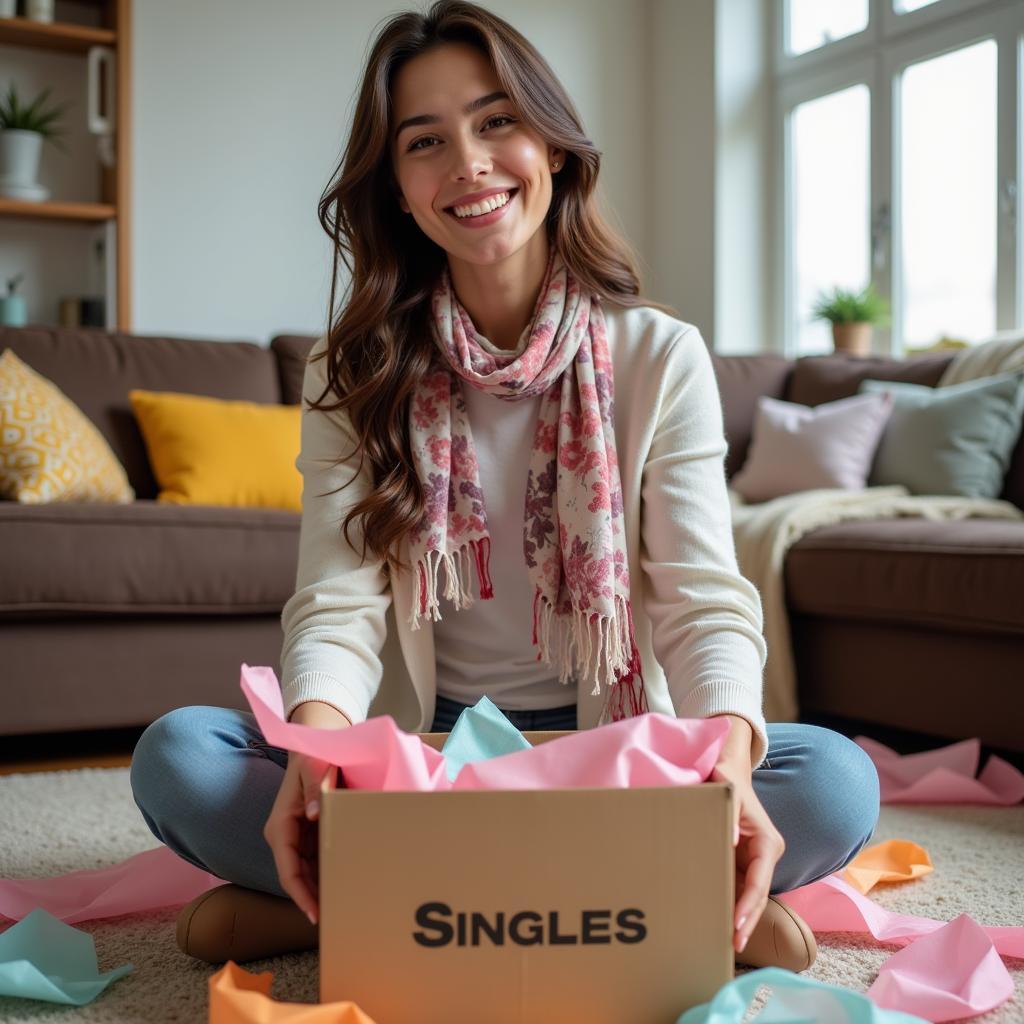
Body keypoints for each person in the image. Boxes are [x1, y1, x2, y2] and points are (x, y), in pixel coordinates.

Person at [130, 0, 880, 971]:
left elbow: (702, 598)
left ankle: (358, 908)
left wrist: (730, 762)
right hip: (419, 762)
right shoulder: (348, 371)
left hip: (612, 760)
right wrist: (317, 762)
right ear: (396, 187)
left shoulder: (660, 355)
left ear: (554, 147)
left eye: (496, 123)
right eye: (425, 141)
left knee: (834, 782)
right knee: (180, 758)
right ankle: (654, 903)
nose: (469, 164)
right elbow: (337, 605)